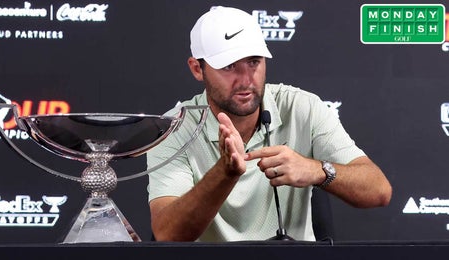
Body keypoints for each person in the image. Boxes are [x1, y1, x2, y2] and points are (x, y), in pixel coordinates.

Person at [146, 6, 392, 242]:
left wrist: (315, 170)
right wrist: (224, 173)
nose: (246, 80)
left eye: (254, 62)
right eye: (229, 66)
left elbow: (378, 189)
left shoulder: (302, 107)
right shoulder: (174, 127)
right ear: (197, 69)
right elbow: (168, 233)